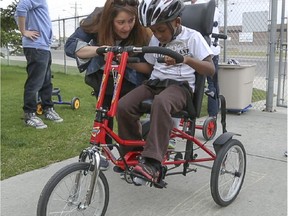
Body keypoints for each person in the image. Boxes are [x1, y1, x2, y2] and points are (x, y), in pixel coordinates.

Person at [116, 0, 215, 182]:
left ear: (177, 22)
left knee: (161, 103)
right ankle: (134, 156)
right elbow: (149, 67)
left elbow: (210, 69)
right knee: (123, 106)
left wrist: (185, 60)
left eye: (161, 30)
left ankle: (153, 163)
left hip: (179, 87)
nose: (157, 35)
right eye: (154, 31)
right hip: (154, 84)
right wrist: (125, 61)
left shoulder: (193, 37)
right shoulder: (155, 40)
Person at [64, 0, 152, 170]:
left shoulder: (141, 25)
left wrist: (128, 61)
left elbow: (150, 64)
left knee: (126, 113)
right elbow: (71, 46)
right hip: (103, 75)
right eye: (121, 22)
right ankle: (103, 151)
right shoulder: (98, 17)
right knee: (103, 113)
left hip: (131, 77)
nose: (127, 27)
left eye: (131, 21)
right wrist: (101, 49)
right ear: (109, 20)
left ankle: (132, 154)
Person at [15, 0, 63, 129]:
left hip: (43, 47)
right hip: (36, 46)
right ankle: (29, 114)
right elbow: (21, 9)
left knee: (46, 81)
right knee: (35, 82)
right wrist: (23, 31)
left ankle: (48, 108)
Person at [191, 0, 221, 117]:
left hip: (206, 51)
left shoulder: (204, 8)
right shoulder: (209, 7)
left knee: (210, 84)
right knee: (211, 84)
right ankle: (213, 115)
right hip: (205, 50)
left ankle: (212, 115)